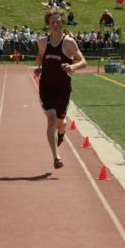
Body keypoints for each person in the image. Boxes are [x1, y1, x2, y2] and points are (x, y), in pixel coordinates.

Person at [33, 9, 86, 169]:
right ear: (48, 24)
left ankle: (62, 132)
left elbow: (83, 61)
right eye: (52, 22)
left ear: (62, 22)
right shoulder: (42, 42)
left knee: (60, 123)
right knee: (51, 119)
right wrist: (39, 68)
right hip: (46, 87)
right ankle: (56, 158)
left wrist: (72, 66)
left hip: (63, 89)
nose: (55, 24)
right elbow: (40, 56)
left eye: (58, 21)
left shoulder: (69, 42)